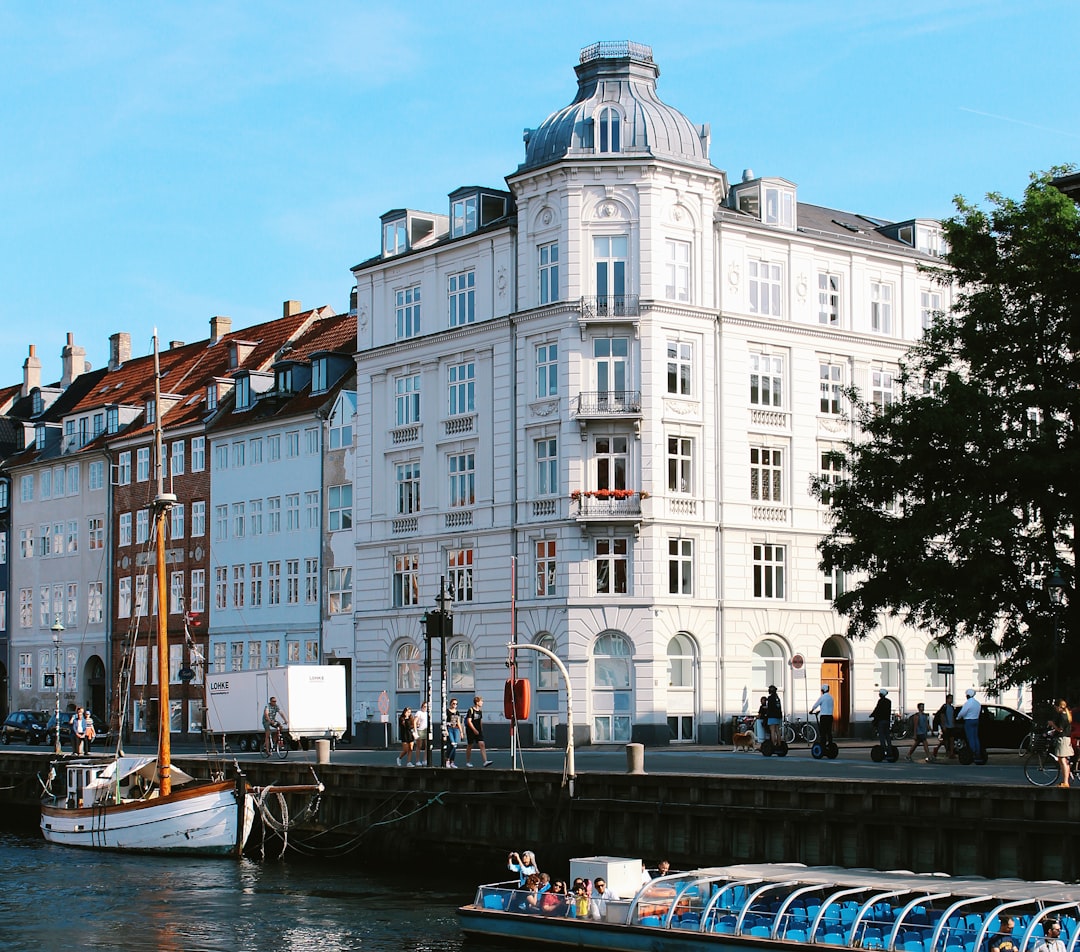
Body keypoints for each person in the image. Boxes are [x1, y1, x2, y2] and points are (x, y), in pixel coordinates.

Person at [1049, 698, 1073, 788]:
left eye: (1056, 707)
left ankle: (1066, 782)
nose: (1055, 709)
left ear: (1059, 707)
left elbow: (1060, 729)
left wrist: (1052, 724)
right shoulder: (1067, 714)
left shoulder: (1062, 716)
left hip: (1063, 739)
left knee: (1063, 760)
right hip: (1066, 738)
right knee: (1062, 760)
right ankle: (1065, 780)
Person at [465, 695, 493, 767]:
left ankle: (485, 761)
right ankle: (468, 762)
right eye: (481, 701)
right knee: (470, 745)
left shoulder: (480, 711)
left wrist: (481, 729)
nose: (482, 703)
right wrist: (474, 730)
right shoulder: (471, 710)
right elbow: (469, 721)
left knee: (482, 744)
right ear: (477, 702)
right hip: (471, 730)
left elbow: (480, 720)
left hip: (478, 730)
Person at [958, 688, 982, 761]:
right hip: (976, 720)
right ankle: (978, 752)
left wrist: (958, 717)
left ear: (968, 695)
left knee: (970, 737)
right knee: (975, 737)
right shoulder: (977, 703)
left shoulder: (968, 703)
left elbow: (963, 712)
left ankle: (973, 752)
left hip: (969, 720)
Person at [932, 694, 958, 760]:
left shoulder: (952, 707)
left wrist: (953, 723)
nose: (951, 700)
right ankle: (943, 750)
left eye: (952, 699)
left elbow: (953, 716)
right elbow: (942, 716)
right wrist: (943, 725)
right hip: (946, 726)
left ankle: (951, 753)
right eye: (950, 699)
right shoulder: (944, 707)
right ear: (947, 699)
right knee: (945, 740)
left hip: (951, 726)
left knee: (952, 739)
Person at [445, 698, 463, 767]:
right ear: (450, 704)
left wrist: (461, 732)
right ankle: (447, 760)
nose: (455, 705)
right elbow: (444, 721)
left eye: (456, 704)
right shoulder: (447, 711)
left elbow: (458, 722)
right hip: (449, 728)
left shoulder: (457, 712)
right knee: (452, 744)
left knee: (455, 746)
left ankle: (452, 762)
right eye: (453, 703)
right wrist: (445, 730)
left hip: (456, 729)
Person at [413, 701, 429, 766]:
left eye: (427, 707)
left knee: (427, 745)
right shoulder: (419, 712)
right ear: (422, 706)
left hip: (426, 730)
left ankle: (425, 759)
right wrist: (415, 731)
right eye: (424, 706)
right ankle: (417, 760)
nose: (425, 708)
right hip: (420, 730)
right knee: (419, 746)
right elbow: (414, 721)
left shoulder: (427, 713)